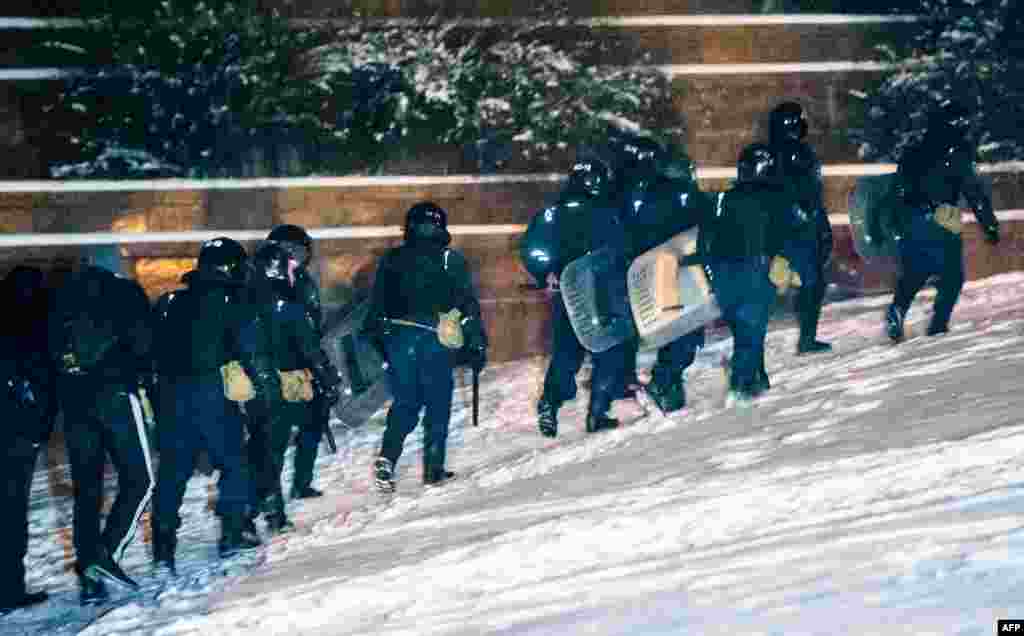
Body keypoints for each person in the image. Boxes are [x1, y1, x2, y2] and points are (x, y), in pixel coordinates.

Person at [150, 238, 264, 574]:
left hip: (170, 394)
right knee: (233, 462)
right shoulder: (233, 301)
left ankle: (163, 549)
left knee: (173, 470)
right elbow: (248, 350)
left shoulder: (168, 301)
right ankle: (232, 534)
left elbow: (150, 350)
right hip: (211, 391)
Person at [48, 262, 155, 603]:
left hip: (74, 401)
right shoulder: (124, 292)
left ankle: (89, 582)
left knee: (87, 490)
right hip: (116, 395)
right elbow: (143, 343)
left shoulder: (60, 298)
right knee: (141, 479)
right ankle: (105, 554)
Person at [367, 202, 487, 492]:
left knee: (406, 401)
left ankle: (388, 456)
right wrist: (476, 342)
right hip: (434, 337)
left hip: (398, 337)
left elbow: (376, 306)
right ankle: (433, 469)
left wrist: (383, 342)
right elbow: (467, 305)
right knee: (437, 401)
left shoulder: (392, 258)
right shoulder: (450, 259)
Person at [520, 159, 632, 438]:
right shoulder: (609, 211)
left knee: (567, 351)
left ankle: (550, 402)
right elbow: (623, 249)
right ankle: (597, 412)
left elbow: (533, 249)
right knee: (608, 346)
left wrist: (546, 272)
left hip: (569, 294)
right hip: (602, 294)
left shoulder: (553, 213)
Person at [876, 100, 1000, 341]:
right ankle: (938, 325)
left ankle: (897, 310)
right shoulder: (958, 151)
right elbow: (973, 191)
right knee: (952, 275)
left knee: (915, 271)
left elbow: (896, 189)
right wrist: (990, 224)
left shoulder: (915, 149)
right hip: (942, 220)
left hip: (910, 220)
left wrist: (890, 222)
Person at [245, 241, 341, 530]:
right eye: (289, 266)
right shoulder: (288, 305)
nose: (293, 271)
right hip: (286, 383)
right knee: (271, 448)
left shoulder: (244, 301)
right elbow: (308, 347)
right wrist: (328, 377)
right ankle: (265, 513)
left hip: (253, 383)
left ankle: (250, 513)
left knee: (264, 446)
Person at [616, 138, 714, 414]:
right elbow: (702, 228)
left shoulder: (651, 196)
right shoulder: (684, 194)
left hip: (659, 273)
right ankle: (665, 384)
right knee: (685, 331)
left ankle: (667, 383)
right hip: (679, 272)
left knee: (678, 331)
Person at [703, 144, 793, 405]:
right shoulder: (774, 198)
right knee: (751, 330)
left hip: (724, 270)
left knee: (745, 328)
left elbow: (707, 236)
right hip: (754, 268)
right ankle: (741, 384)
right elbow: (783, 233)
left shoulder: (724, 198)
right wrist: (785, 260)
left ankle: (755, 374)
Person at [266, 224, 338, 500]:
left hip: (304, 360)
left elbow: (312, 319)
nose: (296, 257)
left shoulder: (304, 280)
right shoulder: (261, 281)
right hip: (275, 365)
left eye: (300, 251)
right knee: (276, 434)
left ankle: (301, 482)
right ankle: (269, 494)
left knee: (314, 421)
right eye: (292, 251)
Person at [0, 267, 55, 615]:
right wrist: (38, 429)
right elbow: (40, 382)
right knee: (11, 511)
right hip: (16, 432)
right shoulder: (31, 327)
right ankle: (8, 590)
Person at [767, 101, 834, 354]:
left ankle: (807, 337)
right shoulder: (788, 153)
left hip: (801, 226)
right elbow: (788, 193)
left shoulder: (786, 151)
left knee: (812, 282)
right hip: (795, 230)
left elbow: (812, 193)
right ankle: (806, 339)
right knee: (811, 283)